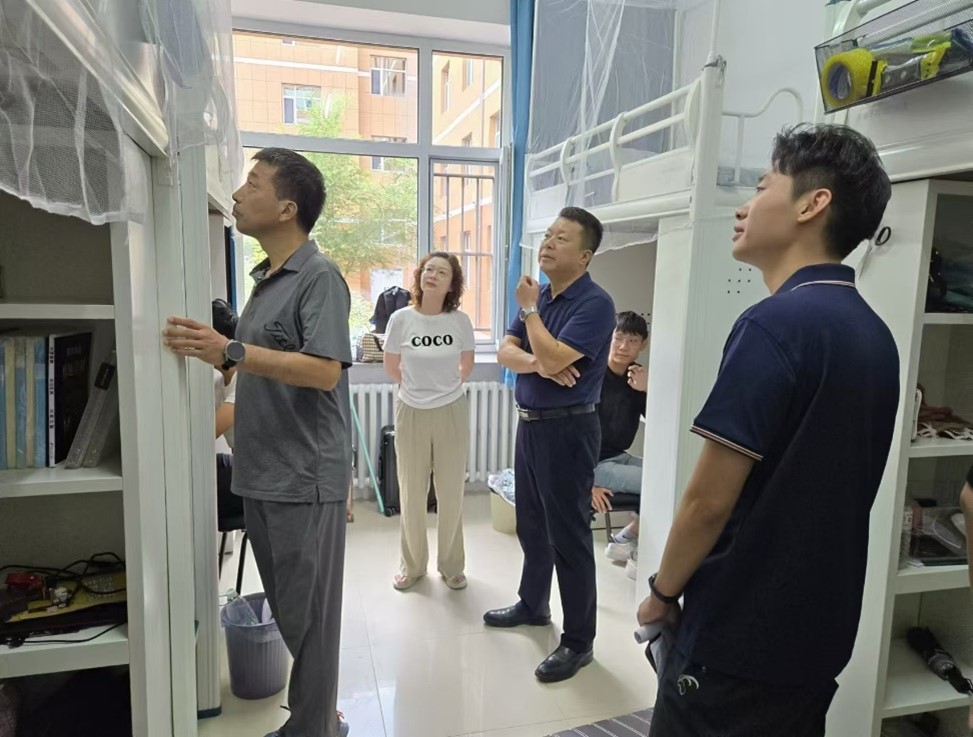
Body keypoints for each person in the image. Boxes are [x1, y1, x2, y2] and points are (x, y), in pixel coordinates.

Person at [637, 124, 899, 737]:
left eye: (761, 187)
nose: (743, 207)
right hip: (820, 633)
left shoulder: (773, 326)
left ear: (813, 204)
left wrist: (662, 594)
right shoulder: (875, 335)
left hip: (739, 635)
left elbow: (707, 503)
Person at [164, 148, 352, 737]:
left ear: (287, 208)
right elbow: (258, 365)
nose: (239, 194)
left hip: (304, 476)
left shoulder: (318, 277)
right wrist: (220, 358)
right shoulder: (266, 279)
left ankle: (315, 729)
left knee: (310, 625)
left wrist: (232, 350)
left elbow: (325, 371)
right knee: (296, 620)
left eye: (253, 183)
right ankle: (319, 722)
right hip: (262, 470)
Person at [486, 206, 616, 683]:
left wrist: (531, 318)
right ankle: (534, 604)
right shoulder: (539, 295)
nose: (548, 243)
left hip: (569, 429)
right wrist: (540, 363)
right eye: (547, 235)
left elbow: (555, 354)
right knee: (532, 523)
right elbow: (506, 352)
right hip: (531, 424)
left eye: (562, 238)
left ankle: (579, 641)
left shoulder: (595, 304)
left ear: (584, 256)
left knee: (569, 537)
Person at [383, 251, 475, 591]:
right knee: (411, 490)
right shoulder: (401, 319)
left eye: (442, 272)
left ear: (452, 284)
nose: (433, 275)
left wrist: (443, 389)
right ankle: (412, 566)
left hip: (451, 410)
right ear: (420, 276)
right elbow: (391, 366)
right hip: (411, 410)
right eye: (429, 269)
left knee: (451, 492)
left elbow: (466, 365)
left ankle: (452, 565)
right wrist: (416, 388)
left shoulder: (460, 321)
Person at [590, 311, 648, 578]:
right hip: (594, 465)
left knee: (675, 476)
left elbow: (662, 425)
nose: (624, 346)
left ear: (643, 345)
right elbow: (569, 433)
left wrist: (648, 389)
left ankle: (626, 539)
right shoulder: (593, 376)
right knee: (660, 484)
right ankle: (637, 550)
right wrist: (586, 484)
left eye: (633, 340)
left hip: (619, 456)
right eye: (619, 338)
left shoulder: (637, 377)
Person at [212, 298, 241, 528]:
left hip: (260, 482)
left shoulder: (244, 382)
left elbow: (207, 431)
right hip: (243, 469)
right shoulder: (220, 383)